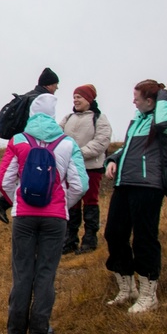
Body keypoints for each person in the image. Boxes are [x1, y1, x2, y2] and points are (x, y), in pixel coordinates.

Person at [0, 93, 87, 334]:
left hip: (24, 217)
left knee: (22, 273)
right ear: (52, 116)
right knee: (46, 273)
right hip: (55, 219)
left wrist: (17, 202)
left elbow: (3, 181)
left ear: (31, 114)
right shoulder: (67, 143)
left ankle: (16, 333)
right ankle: (39, 331)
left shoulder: (18, 141)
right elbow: (80, 185)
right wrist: (62, 205)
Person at [103, 79, 167, 314]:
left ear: (151, 100)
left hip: (149, 186)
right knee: (114, 234)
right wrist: (113, 160)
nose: (133, 101)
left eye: (137, 97)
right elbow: (128, 148)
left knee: (144, 239)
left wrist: (163, 98)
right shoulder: (139, 118)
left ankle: (149, 295)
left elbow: (163, 123)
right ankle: (128, 289)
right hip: (125, 183)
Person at [0, 67, 61, 224]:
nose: (57, 88)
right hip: (32, 145)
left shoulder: (28, 96)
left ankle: (4, 203)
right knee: (32, 177)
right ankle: (20, 207)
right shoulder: (41, 99)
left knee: (21, 176)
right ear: (49, 85)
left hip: (20, 142)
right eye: (56, 84)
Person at [61, 84, 113, 254]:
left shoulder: (99, 118)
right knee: (72, 204)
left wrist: (76, 154)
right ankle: (70, 240)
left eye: (79, 97)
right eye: (74, 97)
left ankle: (90, 239)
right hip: (70, 168)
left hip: (91, 168)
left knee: (90, 203)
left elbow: (101, 142)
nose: (75, 100)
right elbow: (57, 135)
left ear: (89, 99)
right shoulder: (68, 118)